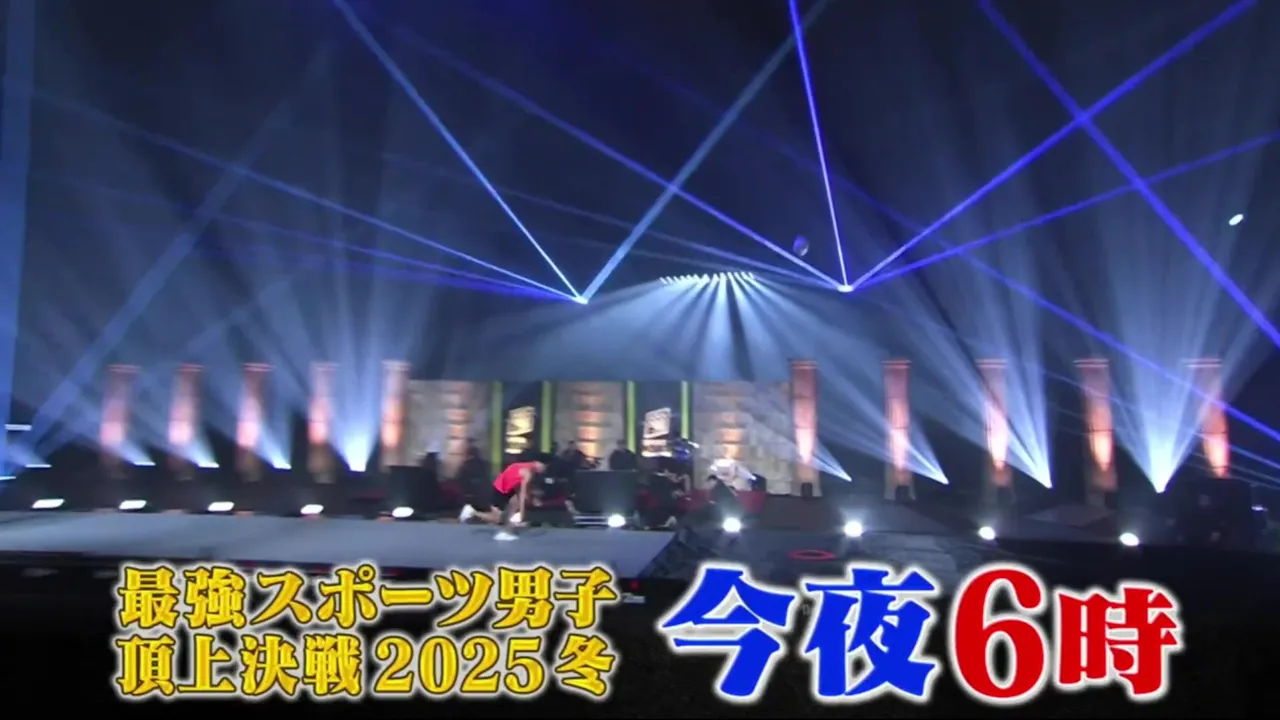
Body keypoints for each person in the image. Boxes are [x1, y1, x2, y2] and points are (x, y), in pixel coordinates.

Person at [458, 459, 546, 541]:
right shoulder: (528, 472)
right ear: (538, 463)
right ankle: (472, 512)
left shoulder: (524, 466)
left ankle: (507, 530)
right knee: (498, 519)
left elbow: (518, 486)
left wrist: (530, 499)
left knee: (513, 506)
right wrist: (522, 513)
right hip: (501, 491)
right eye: (544, 466)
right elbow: (522, 493)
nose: (544, 468)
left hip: (503, 489)